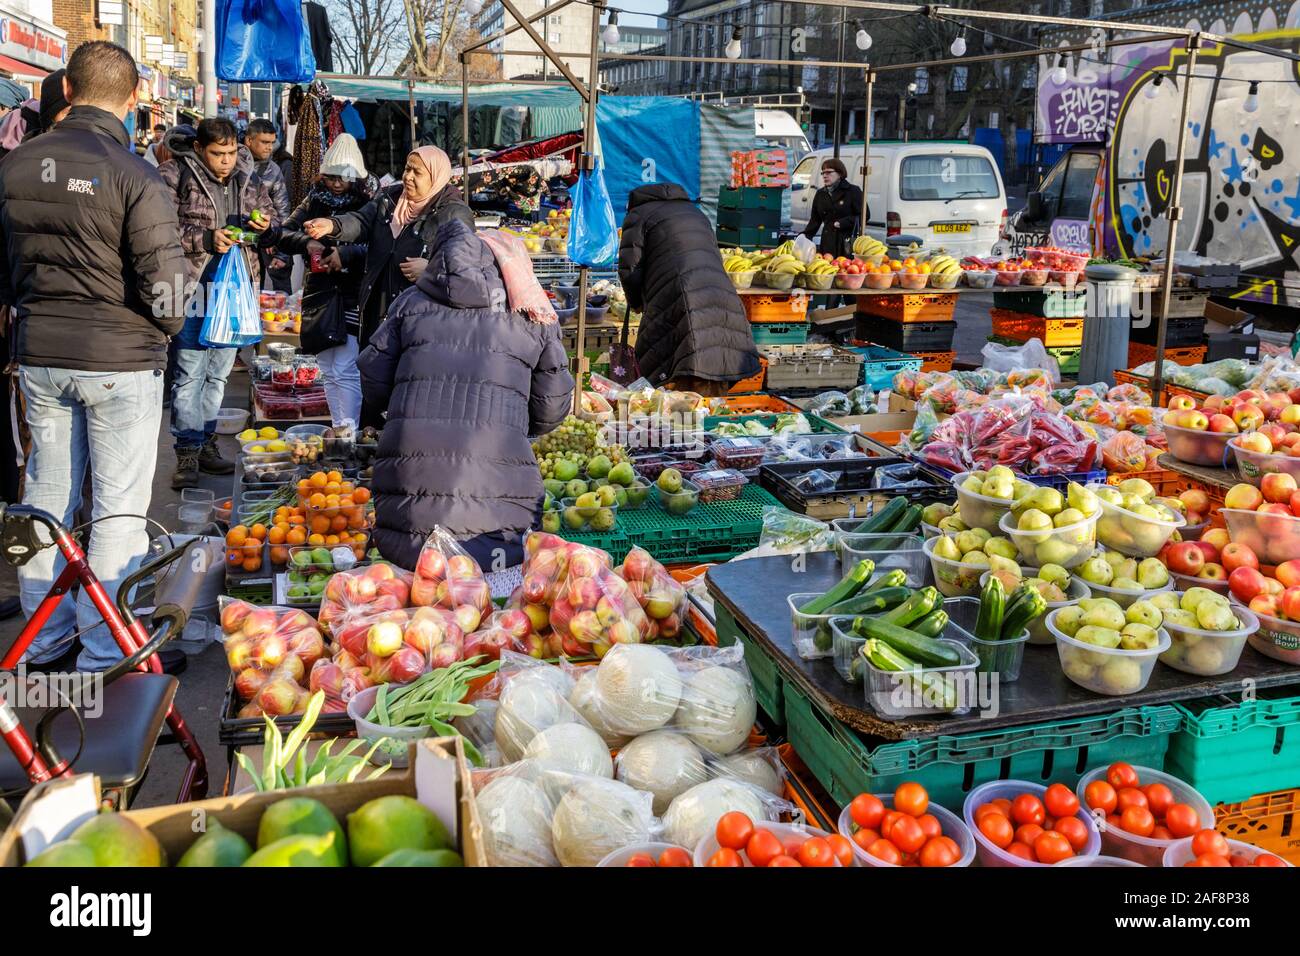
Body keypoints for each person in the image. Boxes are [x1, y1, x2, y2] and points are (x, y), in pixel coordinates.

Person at [0, 41, 186, 670]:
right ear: (133, 101)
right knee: (117, 510)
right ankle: (105, 651)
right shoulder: (135, 174)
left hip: (43, 356)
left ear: (69, 92)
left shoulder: (16, 166)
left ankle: (45, 639)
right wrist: (165, 323)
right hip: (118, 360)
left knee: (42, 502)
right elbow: (166, 289)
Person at [357, 220, 574, 570]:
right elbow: (552, 408)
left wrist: (403, 407)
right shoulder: (530, 311)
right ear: (512, 266)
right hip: (500, 502)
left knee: (415, 610)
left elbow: (372, 378)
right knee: (492, 612)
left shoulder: (410, 303)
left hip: (408, 500)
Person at [158, 117, 278, 488]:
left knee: (219, 374)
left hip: (235, 290)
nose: (226, 161)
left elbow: (270, 218)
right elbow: (159, 229)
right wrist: (206, 239)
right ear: (199, 148)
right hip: (193, 287)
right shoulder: (174, 174)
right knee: (189, 373)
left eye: (230, 153)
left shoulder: (247, 175)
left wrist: (263, 226)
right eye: (217, 154)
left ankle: (208, 442)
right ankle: (187, 452)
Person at [268, 133, 376, 425]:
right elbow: (285, 233)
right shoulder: (314, 199)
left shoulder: (372, 202)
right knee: (327, 367)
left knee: (345, 367)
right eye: (331, 177)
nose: (337, 183)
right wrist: (308, 244)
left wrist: (348, 255)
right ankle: (339, 430)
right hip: (320, 292)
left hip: (353, 293)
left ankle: (348, 432)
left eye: (343, 177)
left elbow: (380, 247)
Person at [618, 182, 761, 395]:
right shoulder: (696, 213)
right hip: (721, 294)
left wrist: (636, 303)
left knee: (683, 374)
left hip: (678, 296)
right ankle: (706, 417)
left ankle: (685, 423)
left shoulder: (639, 214)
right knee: (710, 367)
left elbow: (630, 269)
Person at [245, 118, 292, 293]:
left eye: (272, 143)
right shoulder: (232, 164)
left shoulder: (274, 170)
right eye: (264, 142)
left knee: (279, 294)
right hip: (238, 241)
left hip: (267, 238)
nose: (269, 147)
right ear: (249, 140)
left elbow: (283, 211)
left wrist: (282, 252)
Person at [803, 157, 865, 258]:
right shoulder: (820, 193)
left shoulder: (853, 191)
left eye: (829, 172)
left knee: (843, 270)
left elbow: (864, 215)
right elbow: (815, 220)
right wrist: (804, 236)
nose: (825, 176)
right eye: (823, 173)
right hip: (827, 243)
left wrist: (842, 223)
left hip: (846, 242)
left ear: (840, 173)